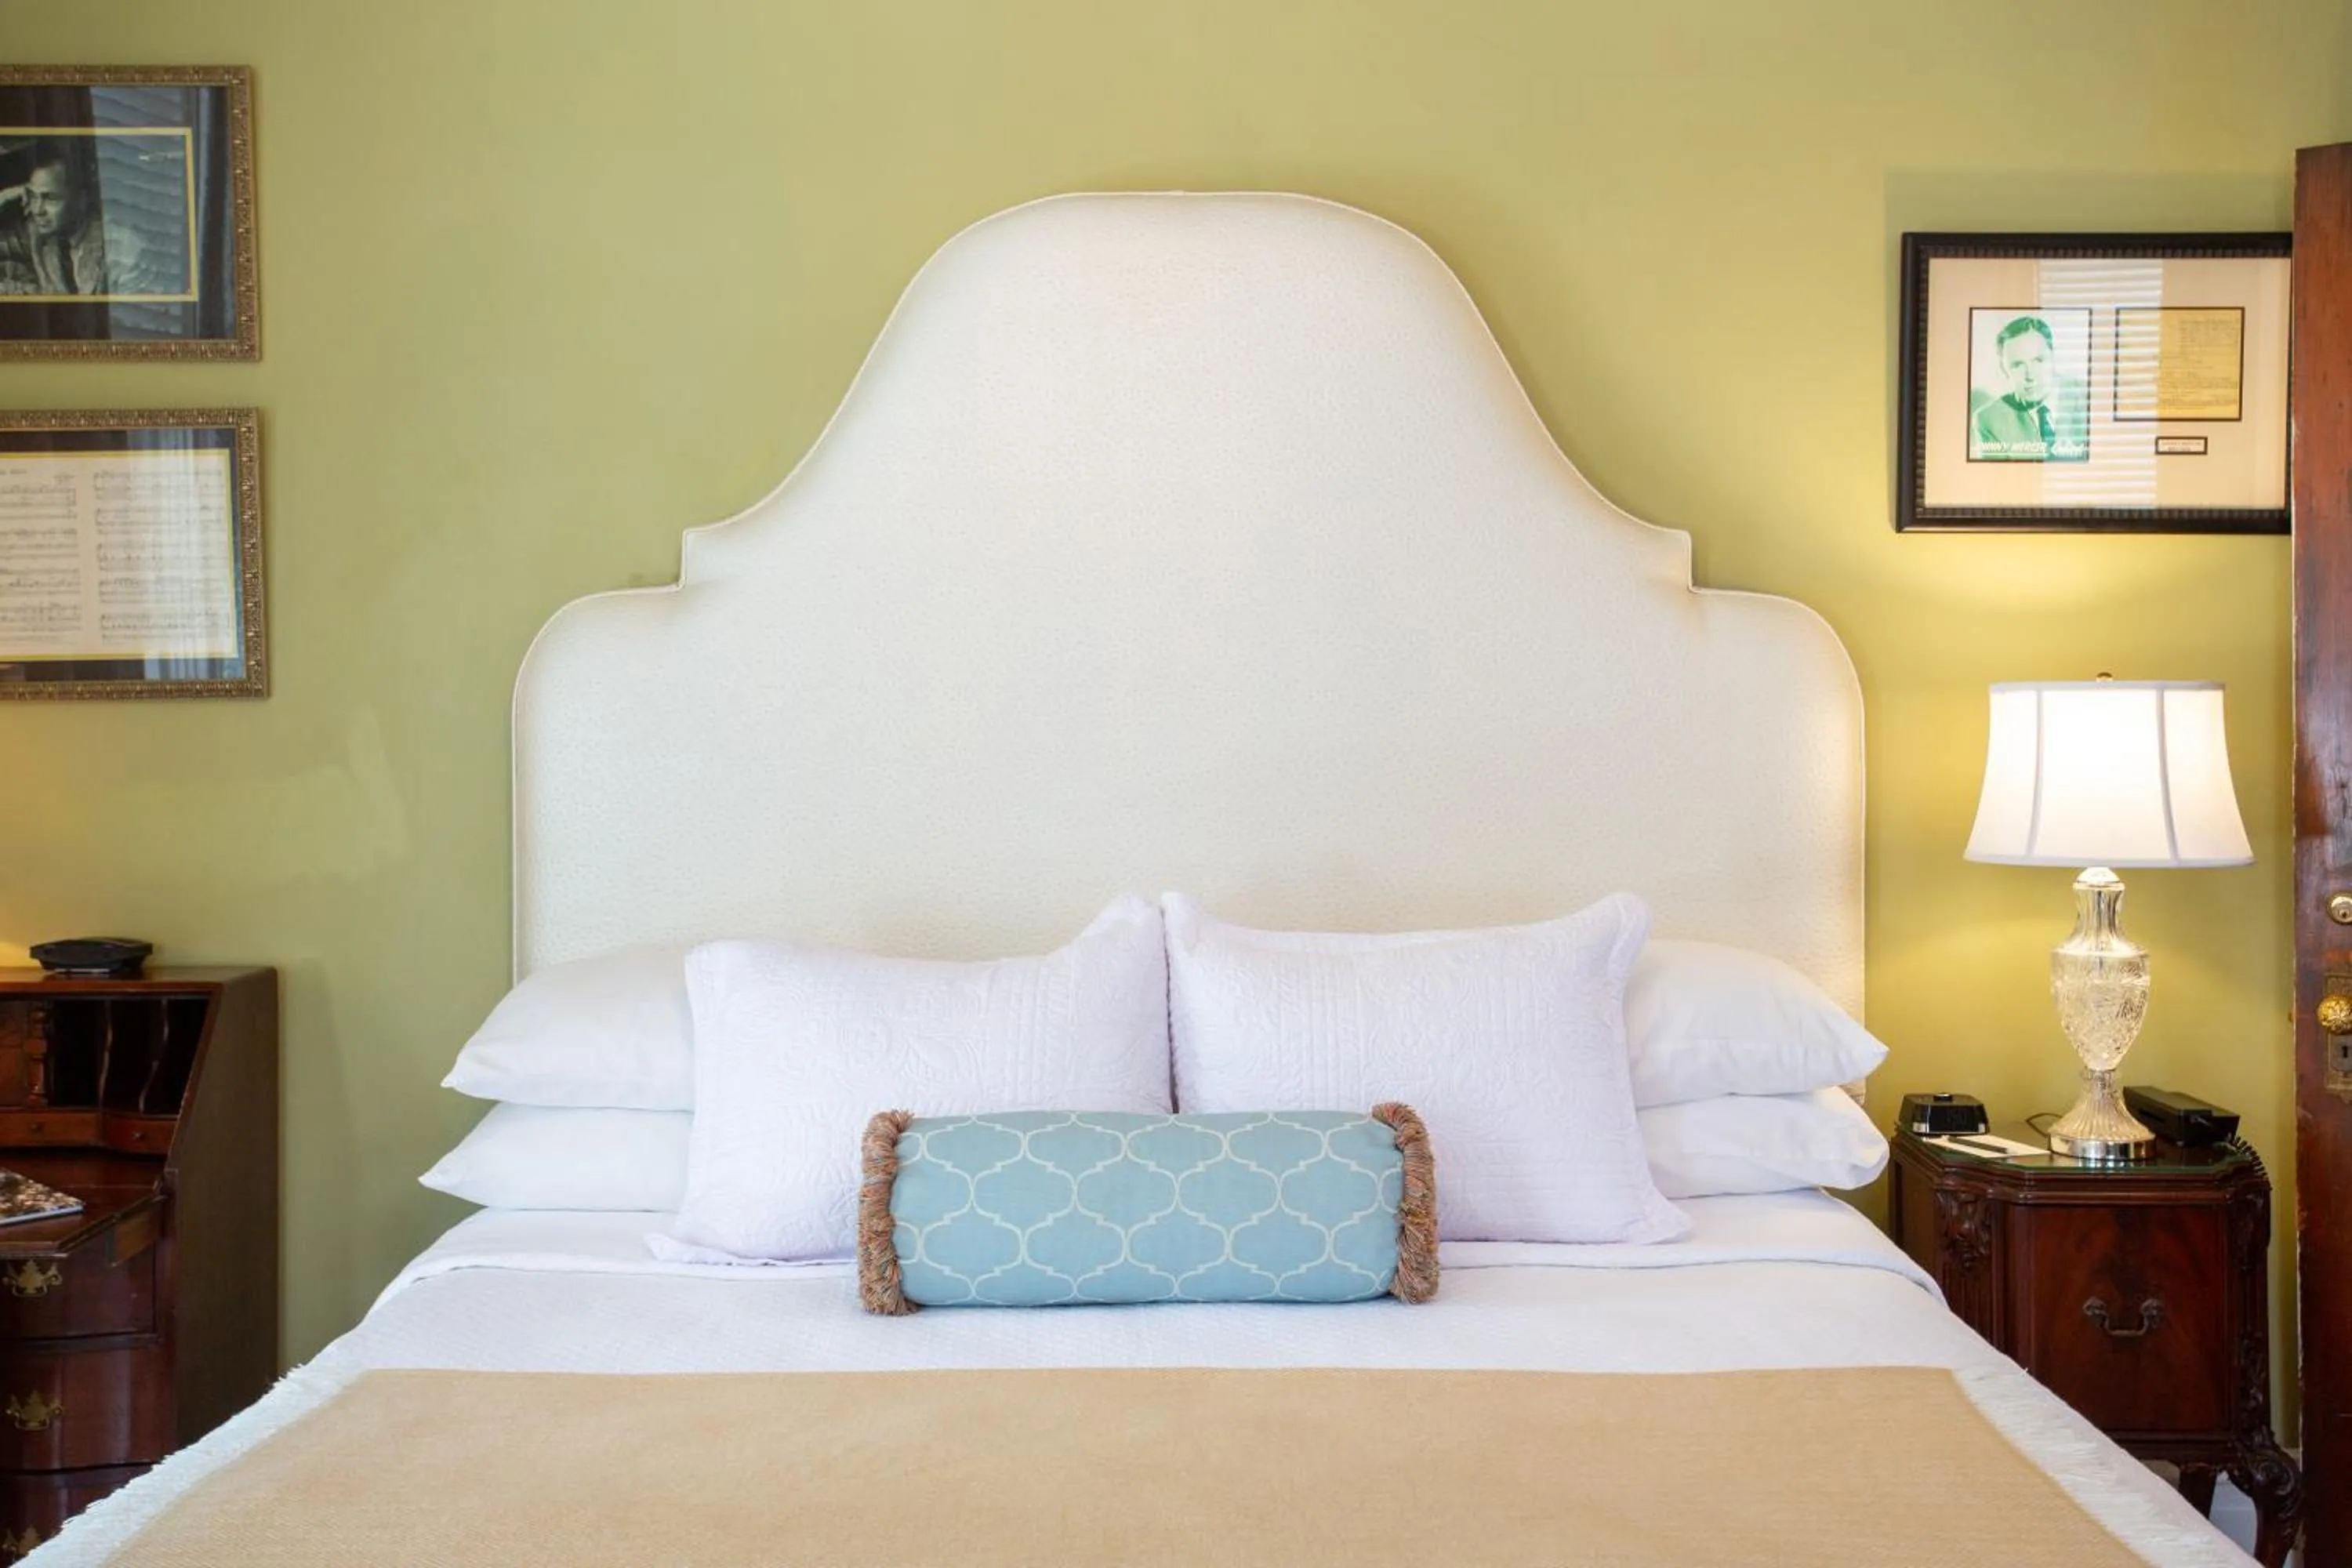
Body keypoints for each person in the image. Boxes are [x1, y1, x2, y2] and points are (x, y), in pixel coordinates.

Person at [0, 139, 168, 298]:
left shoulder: (126, 253)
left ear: (82, 198)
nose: (37, 210)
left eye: (50, 198)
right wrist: (6, 197)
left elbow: (132, 323)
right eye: (32, 196)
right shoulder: (38, 235)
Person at [1969, 314, 2089, 461]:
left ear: (2053, 357)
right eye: (2018, 365)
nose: (2030, 375)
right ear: (2004, 369)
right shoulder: (1989, 419)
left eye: (2038, 360)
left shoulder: (2087, 398)